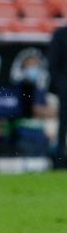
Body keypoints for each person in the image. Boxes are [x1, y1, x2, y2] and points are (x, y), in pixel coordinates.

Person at [50, 23, 67, 166]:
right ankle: (60, 158)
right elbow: (53, 64)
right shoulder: (60, 35)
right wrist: (61, 86)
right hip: (65, 88)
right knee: (63, 124)